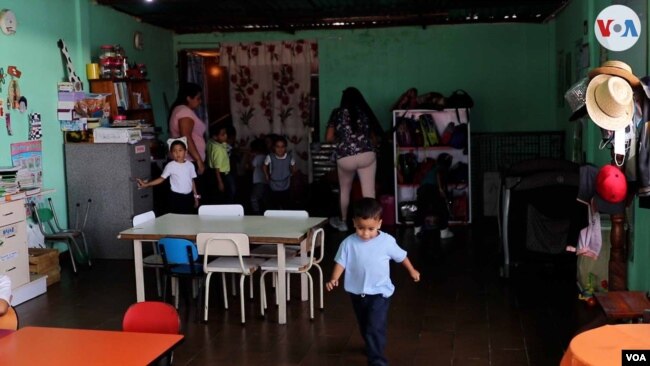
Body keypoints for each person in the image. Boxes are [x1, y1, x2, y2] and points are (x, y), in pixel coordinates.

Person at [326, 198, 420, 366]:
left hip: (380, 292)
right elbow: (341, 262)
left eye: (370, 228)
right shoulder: (348, 243)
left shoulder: (387, 241)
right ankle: (372, 345)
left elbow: (402, 256)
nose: (366, 233)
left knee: (374, 325)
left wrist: (412, 270)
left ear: (379, 223)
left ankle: (377, 359)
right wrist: (334, 278)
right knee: (364, 323)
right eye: (361, 228)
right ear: (354, 222)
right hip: (356, 293)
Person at [326, 87, 383, 232]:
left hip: (345, 156)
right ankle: (373, 225)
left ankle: (344, 222)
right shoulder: (365, 112)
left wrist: (343, 139)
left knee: (345, 190)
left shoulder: (337, 113)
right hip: (366, 155)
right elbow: (374, 138)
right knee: (369, 192)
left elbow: (329, 137)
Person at [137, 138, 199, 214]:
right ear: (171, 153)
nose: (177, 153)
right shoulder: (170, 166)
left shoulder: (190, 165)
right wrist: (147, 184)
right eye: (174, 151)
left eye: (180, 150)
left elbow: (192, 181)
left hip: (189, 197)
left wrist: (196, 197)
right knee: (176, 218)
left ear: (185, 152)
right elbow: (161, 179)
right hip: (176, 198)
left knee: (188, 217)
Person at [169, 82, 207, 176]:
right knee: (193, 189)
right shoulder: (184, 112)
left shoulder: (179, 110)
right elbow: (186, 136)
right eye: (198, 98)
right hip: (189, 161)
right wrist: (198, 159)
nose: (200, 101)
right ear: (188, 98)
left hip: (185, 160)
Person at [414, 153, 455, 239]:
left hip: (422, 189)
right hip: (433, 189)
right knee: (442, 210)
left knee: (421, 210)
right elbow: (438, 175)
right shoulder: (441, 168)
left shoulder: (432, 168)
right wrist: (440, 189)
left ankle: (417, 230)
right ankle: (444, 232)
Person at [263, 135, 296, 209]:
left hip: (286, 184)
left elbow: (293, 166)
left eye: (282, 147)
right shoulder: (270, 157)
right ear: (274, 147)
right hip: (273, 185)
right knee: (274, 205)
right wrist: (266, 175)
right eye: (278, 147)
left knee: (286, 205)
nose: (280, 149)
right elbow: (264, 166)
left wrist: (292, 174)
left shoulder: (289, 157)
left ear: (285, 147)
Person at [206, 122, 233, 203]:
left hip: (211, 173)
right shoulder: (219, 150)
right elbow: (217, 168)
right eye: (223, 134)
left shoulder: (210, 142)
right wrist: (220, 182)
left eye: (225, 133)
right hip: (220, 174)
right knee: (223, 196)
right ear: (215, 136)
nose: (226, 136)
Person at [249, 138, 269, 214]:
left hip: (258, 181)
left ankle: (257, 213)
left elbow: (252, 167)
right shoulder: (266, 156)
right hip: (266, 181)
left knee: (253, 198)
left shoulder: (257, 157)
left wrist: (250, 158)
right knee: (264, 198)